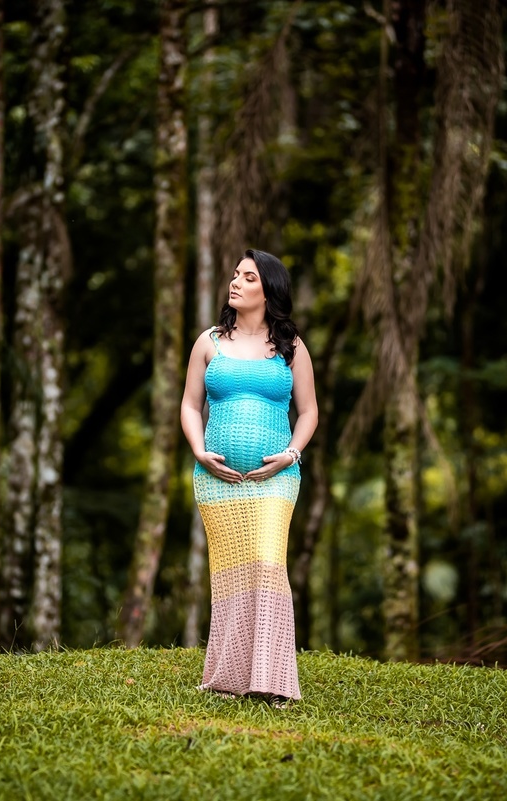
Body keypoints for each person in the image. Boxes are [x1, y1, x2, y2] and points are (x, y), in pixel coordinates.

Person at [181, 248, 318, 707]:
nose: (236, 282)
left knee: (266, 562)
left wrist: (291, 454)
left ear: (270, 291)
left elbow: (310, 411)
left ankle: (273, 679)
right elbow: (189, 405)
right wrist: (199, 450)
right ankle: (228, 676)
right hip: (216, 480)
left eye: (249, 277)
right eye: (235, 274)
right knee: (231, 574)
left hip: (276, 479)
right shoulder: (209, 342)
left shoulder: (292, 348)